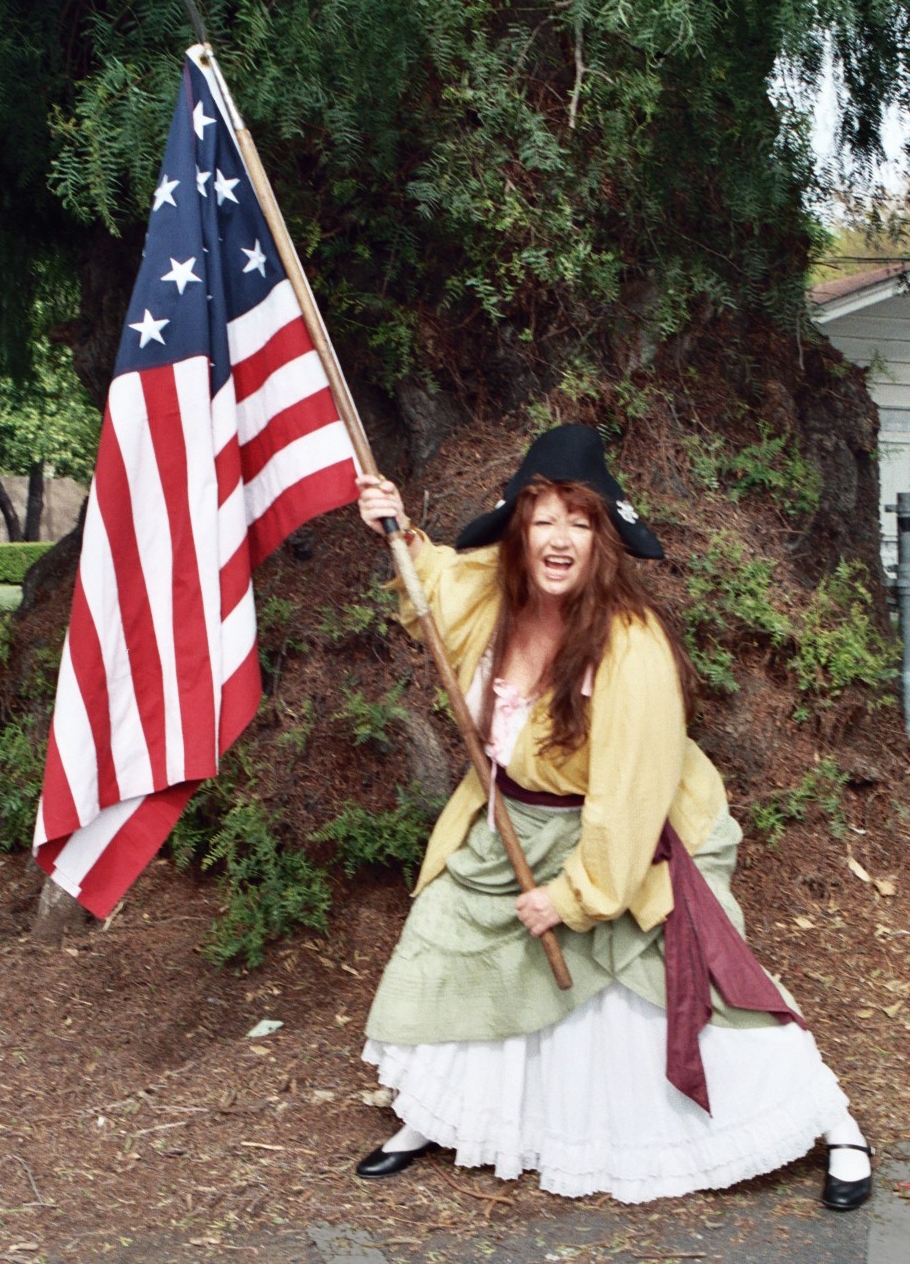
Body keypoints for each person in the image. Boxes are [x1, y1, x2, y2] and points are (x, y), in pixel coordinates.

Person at [353, 423, 872, 1209]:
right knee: (447, 942)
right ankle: (443, 1113)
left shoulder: (632, 647)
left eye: (579, 520)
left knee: (696, 992)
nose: (559, 538)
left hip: (625, 842)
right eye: (543, 518)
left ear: (603, 537)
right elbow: (438, 588)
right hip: (509, 822)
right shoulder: (497, 590)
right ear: (520, 529)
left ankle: (829, 1121)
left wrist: (573, 896)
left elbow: (629, 796)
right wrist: (398, 530)